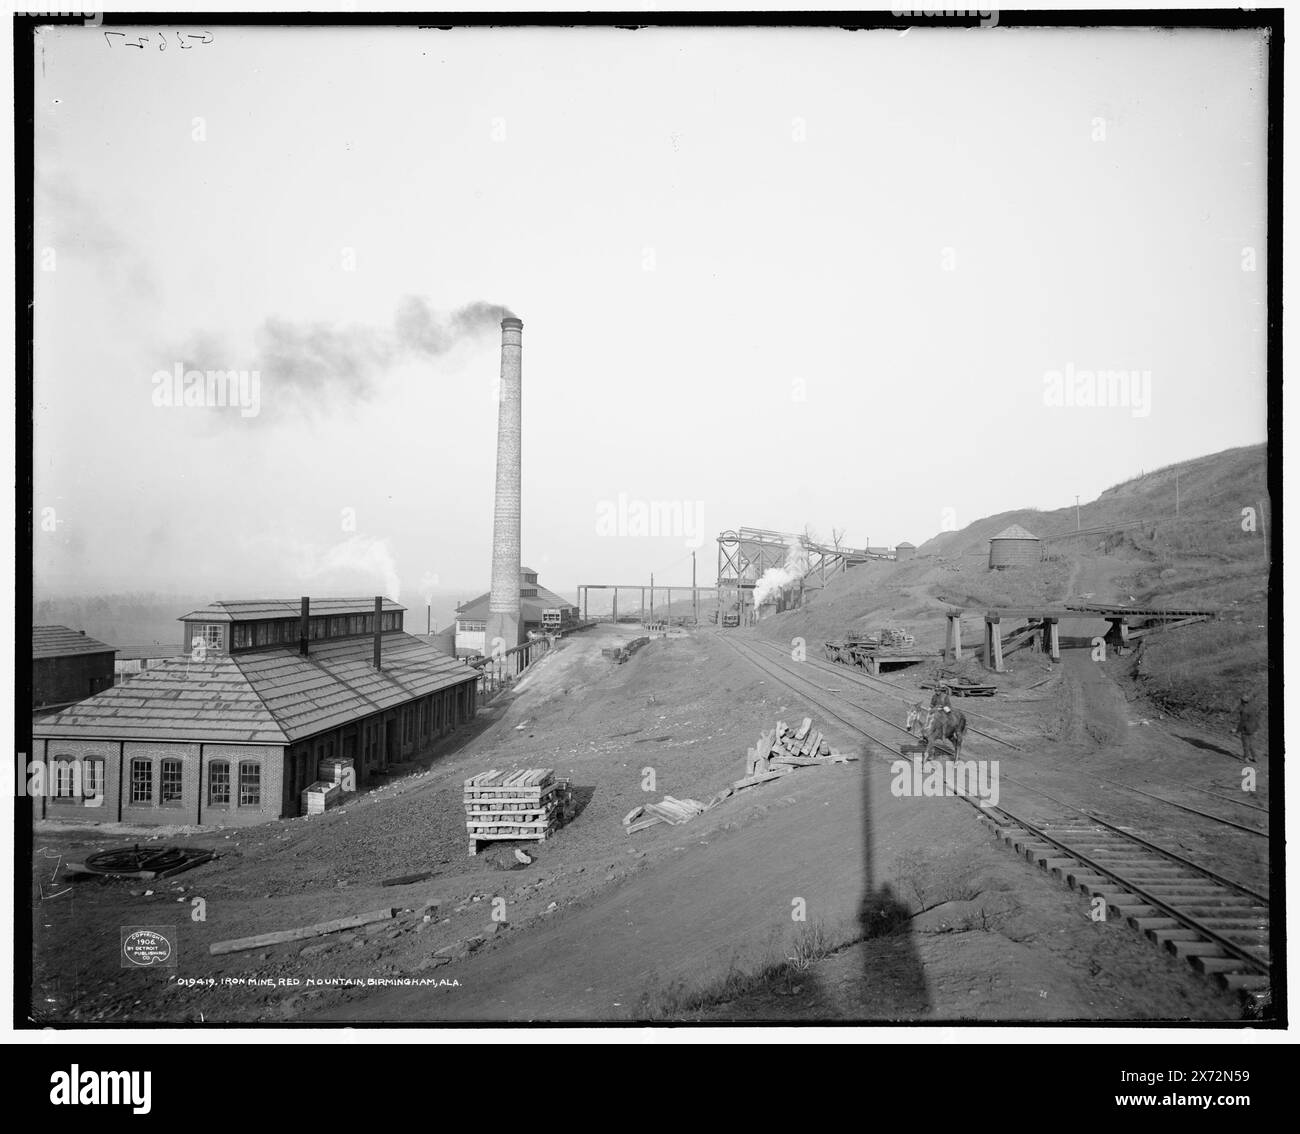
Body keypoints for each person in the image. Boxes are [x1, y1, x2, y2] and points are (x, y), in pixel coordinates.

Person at [1232, 693, 1261, 764]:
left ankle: (1246, 758)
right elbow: (1256, 718)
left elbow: (1242, 722)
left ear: (1242, 701)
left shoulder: (1244, 710)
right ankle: (1255, 757)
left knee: (1245, 744)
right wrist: (1256, 727)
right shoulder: (1253, 707)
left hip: (1246, 729)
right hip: (1253, 728)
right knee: (1251, 743)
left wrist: (1237, 730)